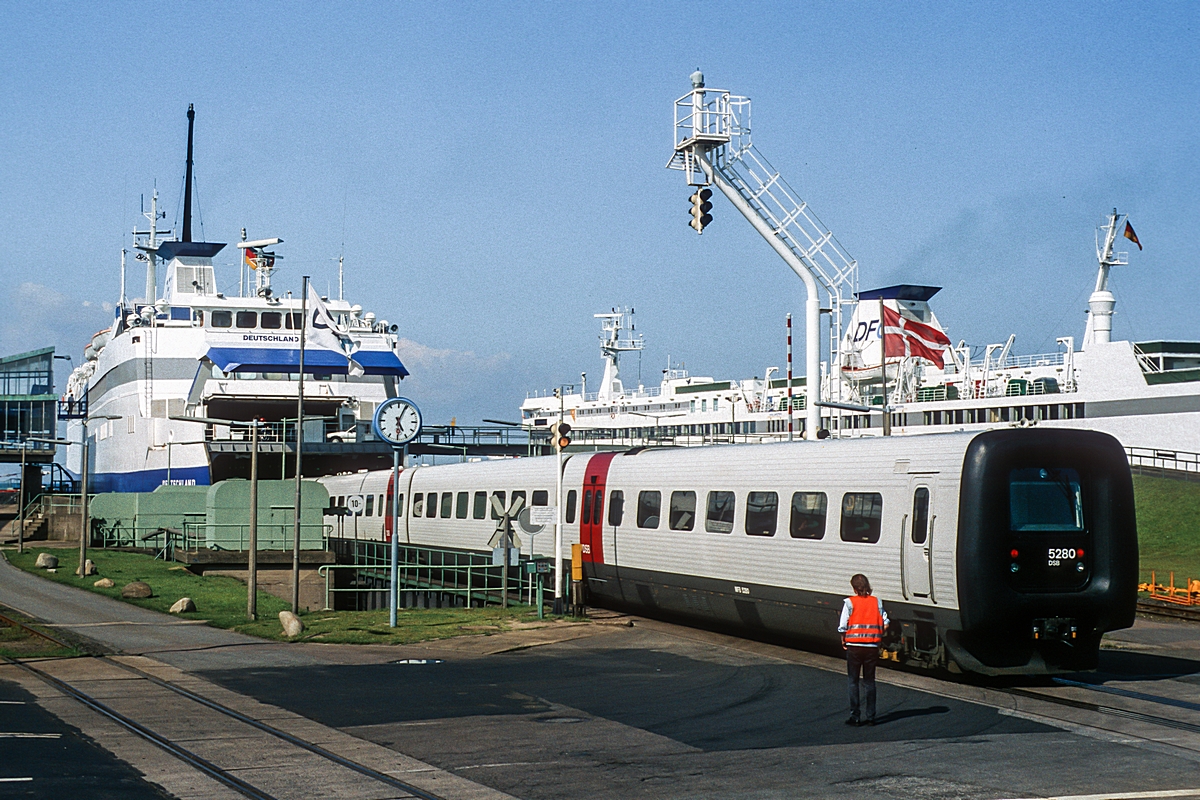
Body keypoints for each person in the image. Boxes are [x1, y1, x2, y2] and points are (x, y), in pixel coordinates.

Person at [838, 573, 888, 726]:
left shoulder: (849, 603)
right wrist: (878, 635)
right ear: (868, 586)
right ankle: (871, 716)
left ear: (854, 588)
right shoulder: (877, 602)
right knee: (869, 681)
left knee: (853, 681)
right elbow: (886, 622)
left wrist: (843, 640)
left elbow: (843, 626)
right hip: (871, 647)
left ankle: (855, 716)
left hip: (854, 647)